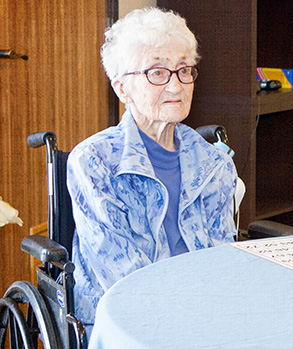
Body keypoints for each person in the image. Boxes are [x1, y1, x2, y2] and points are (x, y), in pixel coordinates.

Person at [67, 7, 238, 326]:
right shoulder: (94, 162)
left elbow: (222, 258)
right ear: (122, 88)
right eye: (157, 72)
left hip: (205, 314)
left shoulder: (214, 164)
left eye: (184, 70)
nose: (176, 86)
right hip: (126, 318)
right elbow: (119, 273)